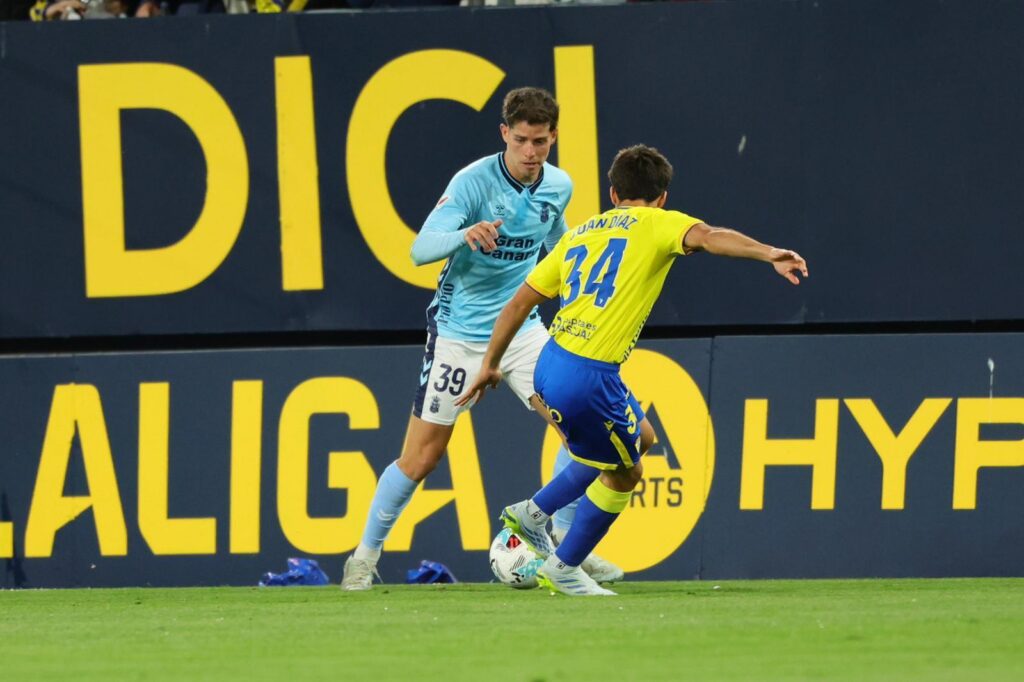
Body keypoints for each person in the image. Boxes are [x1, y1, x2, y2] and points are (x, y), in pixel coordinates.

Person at [457, 144, 808, 596]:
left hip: (551, 361)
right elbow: (710, 235)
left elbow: (520, 301)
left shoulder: (581, 233)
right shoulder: (660, 223)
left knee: (640, 438)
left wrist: (490, 364)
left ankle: (531, 514)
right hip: (589, 374)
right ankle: (563, 564)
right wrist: (770, 253)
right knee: (626, 473)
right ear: (662, 197)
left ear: (612, 192)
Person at [341, 87, 624, 590]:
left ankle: (562, 543)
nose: (530, 151)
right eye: (520, 140)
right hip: (458, 334)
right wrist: (465, 233)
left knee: (579, 428)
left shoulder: (558, 186)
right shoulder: (472, 183)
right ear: (504, 135)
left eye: (540, 141)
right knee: (422, 457)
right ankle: (363, 556)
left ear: (553, 137)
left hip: (521, 332)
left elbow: (558, 241)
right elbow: (419, 249)